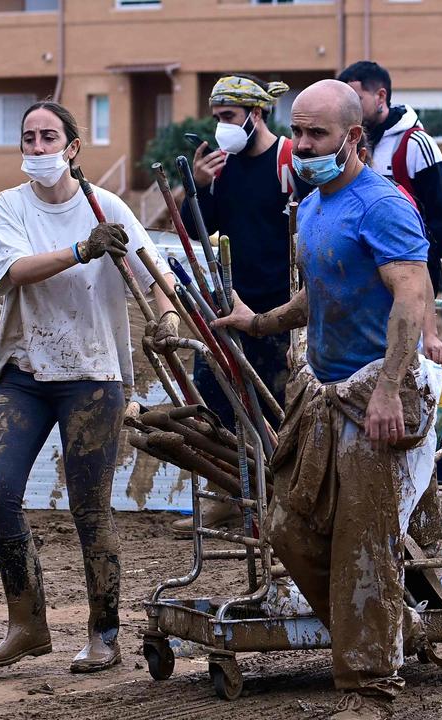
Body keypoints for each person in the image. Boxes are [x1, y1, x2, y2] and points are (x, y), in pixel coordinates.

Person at [215, 80, 440, 720]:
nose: (304, 144)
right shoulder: (312, 205)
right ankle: (382, 633)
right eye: (299, 132)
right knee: (289, 525)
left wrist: (391, 387)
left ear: (353, 137)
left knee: (364, 540)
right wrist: (259, 322)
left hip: (379, 390)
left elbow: (410, 298)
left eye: (317, 134)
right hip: (322, 391)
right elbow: (320, 293)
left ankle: (369, 686)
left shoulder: (384, 206)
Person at [0, 101, 178, 672]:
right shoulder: (10, 205)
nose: (37, 149)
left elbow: (154, 271)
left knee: (90, 508)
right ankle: (27, 623)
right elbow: (13, 272)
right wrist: (82, 249)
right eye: (28, 139)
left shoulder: (104, 205)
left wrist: (165, 318)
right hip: (25, 373)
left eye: (48, 138)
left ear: (71, 149)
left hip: (92, 376)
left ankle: (104, 633)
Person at [179, 73, 294, 537]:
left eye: (228, 116)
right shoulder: (219, 168)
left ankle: (279, 503)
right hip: (226, 303)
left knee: (277, 405)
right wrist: (198, 189)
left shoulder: (288, 159)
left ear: (257, 113)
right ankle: (226, 496)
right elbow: (194, 231)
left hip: (278, 306)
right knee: (214, 399)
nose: (221, 126)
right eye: (217, 117)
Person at [339, 60, 442, 294]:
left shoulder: (416, 144)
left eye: (356, 100)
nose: (348, 110)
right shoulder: (346, 143)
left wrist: (417, 267)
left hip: (408, 275)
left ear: (380, 96)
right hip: (361, 277)